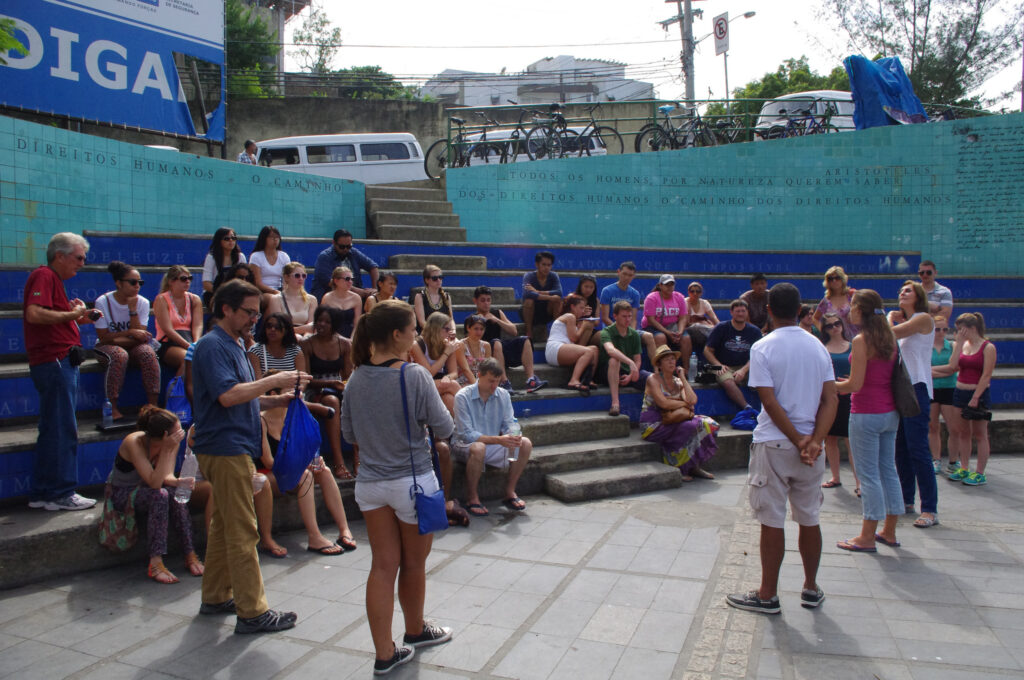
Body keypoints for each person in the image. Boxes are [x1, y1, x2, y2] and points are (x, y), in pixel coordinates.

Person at [340, 300, 455, 674]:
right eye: (412, 330)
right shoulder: (415, 375)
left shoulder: (356, 378)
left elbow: (349, 434)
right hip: (412, 483)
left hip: (371, 485)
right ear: (396, 335)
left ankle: (384, 653)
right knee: (414, 565)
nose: (416, 336)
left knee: (382, 567)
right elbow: (445, 427)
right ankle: (416, 630)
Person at [192, 279, 310, 634]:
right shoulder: (213, 346)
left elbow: (243, 397)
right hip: (225, 448)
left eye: (257, 313)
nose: (254, 319)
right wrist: (275, 378)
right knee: (244, 530)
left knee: (225, 526)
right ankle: (253, 611)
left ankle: (216, 596)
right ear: (225, 309)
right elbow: (228, 396)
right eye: (248, 312)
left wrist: (276, 399)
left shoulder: (236, 346)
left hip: (233, 445)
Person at [726, 283, 836, 615]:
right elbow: (831, 398)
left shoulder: (763, 347)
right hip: (810, 449)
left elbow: (769, 401)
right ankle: (810, 587)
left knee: (772, 519)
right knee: (809, 517)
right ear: (800, 309)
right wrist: (814, 440)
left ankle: (768, 594)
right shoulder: (818, 347)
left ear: (769, 310)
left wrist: (798, 438)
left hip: (775, 443)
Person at [23, 232, 99, 511]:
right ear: (60, 255)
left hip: (57, 361)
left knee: (52, 427)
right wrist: (71, 315)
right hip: (54, 361)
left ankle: (43, 492)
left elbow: (48, 315)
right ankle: (62, 491)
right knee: (63, 428)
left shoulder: (52, 280)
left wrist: (74, 314)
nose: (82, 263)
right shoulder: (44, 275)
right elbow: (34, 313)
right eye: (78, 257)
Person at [835, 289, 904, 552]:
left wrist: (831, 386)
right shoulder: (889, 337)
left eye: (852, 306)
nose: (849, 310)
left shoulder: (862, 341)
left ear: (861, 310)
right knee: (888, 470)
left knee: (868, 476)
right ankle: (889, 530)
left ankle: (866, 535)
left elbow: (856, 384)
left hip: (866, 413)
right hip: (889, 413)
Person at [255, 377, 357, 557]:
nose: (299, 395)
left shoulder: (295, 415)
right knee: (305, 476)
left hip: (291, 471)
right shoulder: (261, 421)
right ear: (274, 394)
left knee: (323, 471)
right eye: (292, 391)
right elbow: (269, 462)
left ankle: (344, 529)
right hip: (270, 475)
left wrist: (313, 461)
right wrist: (302, 464)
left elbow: (308, 446)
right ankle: (314, 536)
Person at [109, 406, 204, 583]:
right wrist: (167, 450)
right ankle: (155, 562)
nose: (180, 435)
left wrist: (178, 482)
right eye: (175, 433)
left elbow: (166, 476)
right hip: (124, 493)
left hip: (151, 488)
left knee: (175, 494)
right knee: (159, 495)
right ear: (163, 436)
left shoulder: (170, 445)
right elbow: (154, 481)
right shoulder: (134, 442)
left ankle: (190, 553)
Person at [453, 358, 532, 517]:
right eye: (490, 381)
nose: (494, 386)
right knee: (478, 447)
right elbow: (466, 435)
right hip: (464, 445)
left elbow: (510, 422)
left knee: (525, 443)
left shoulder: (502, 395)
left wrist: (514, 434)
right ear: (479, 375)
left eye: (497, 381)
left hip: (492, 444)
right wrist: (498, 440)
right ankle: (472, 497)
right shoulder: (463, 396)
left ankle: (510, 491)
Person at [888, 280, 938, 528]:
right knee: (901, 448)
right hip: (901, 388)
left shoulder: (923, 318)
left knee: (918, 449)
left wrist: (888, 317)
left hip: (917, 387)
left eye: (907, 291)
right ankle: (906, 499)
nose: (902, 293)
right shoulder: (908, 322)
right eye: (900, 291)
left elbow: (890, 335)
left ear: (918, 296)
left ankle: (929, 508)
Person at [93, 261, 160, 421]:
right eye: (133, 282)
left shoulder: (141, 302)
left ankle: (153, 406)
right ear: (118, 283)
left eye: (140, 283)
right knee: (119, 355)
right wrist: (130, 332)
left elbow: (141, 336)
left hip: (130, 345)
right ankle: (112, 407)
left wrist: (132, 310)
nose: (137, 286)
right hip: (105, 348)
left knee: (147, 353)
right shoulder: (103, 302)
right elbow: (103, 337)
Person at [640, 345, 718, 480]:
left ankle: (694, 466)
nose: (671, 362)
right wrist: (684, 404)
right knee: (690, 426)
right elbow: (663, 403)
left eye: (673, 359)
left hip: (675, 418)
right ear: (659, 364)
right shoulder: (653, 379)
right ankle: (678, 467)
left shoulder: (678, 381)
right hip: (653, 424)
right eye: (667, 360)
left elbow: (692, 400)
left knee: (709, 424)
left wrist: (683, 377)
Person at [301, 306, 354, 481]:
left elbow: (348, 376)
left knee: (356, 401)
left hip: (339, 387)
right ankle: (339, 462)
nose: (322, 324)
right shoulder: (307, 344)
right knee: (332, 401)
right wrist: (331, 383)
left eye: (327, 322)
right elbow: (306, 379)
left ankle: (359, 459)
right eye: (319, 320)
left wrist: (342, 385)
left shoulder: (345, 344)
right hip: (315, 390)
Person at [943, 312, 996, 486]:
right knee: (963, 432)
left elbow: (986, 374)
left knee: (980, 433)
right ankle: (964, 466)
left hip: (977, 393)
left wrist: (976, 396)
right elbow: (953, 365)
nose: (957, 332)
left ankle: (980, 472)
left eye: (960, 330)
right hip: (960, 391)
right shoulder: (963, 345)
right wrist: (958, 344)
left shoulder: (988, 347)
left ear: (972, 328)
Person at [472, 285, 547, 393]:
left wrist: (496, 320)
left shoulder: (497, 313)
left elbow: (514, 331)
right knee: (496, 343)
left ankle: (531, 380)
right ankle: (504, 382)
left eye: (488, 300)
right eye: (483, 300)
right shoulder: (472, 319)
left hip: (501, 351)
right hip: (487, 354)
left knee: (525, 340)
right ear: (475, 301)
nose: (486, 303)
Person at [820, 313, 858, 493]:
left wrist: (852, 380)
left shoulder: (853, 346)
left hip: (850, 397)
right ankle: (835, 476)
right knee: (830, 439)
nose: (834, 327)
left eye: (837, 323)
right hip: (830, 397)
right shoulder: (822, 348)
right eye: (829, 325)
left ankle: (859, 482)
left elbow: (861, 370)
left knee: (852, 440)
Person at [703, 300, 762, 415]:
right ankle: (747, 409)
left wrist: (743, 370)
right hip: (720, 365)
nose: (740, 314)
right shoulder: (721, 327)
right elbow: (707, 350)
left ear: (747, 312)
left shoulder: (754, 331)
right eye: (737, 311)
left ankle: (768, 409)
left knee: (766, 375)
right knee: (728, 381)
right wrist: (718, 365)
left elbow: (757, 355)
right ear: (731, 312)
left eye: (743, 311)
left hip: (745, 366)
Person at [599, 301, 652, 417]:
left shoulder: (634, 334)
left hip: (628, 372)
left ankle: (659, 410)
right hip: (608, 372)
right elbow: (610, 350)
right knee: (614, 360)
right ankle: (615, 403)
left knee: (652, 378)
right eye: (624, 316)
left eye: (629, 316)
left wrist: (632, 373)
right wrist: (630, 362)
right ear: (615, 316)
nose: (627, 319)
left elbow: (638, 360)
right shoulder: (606, 332)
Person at [598, 261, 658, 361]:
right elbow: (605, 318)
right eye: (624, 274)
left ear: (633, 276)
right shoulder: (607, 291)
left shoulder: (635, 294)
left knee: (649, 337)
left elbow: (633, 319)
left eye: (630, 275)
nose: (626, 278)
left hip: (628, 329)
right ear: (618, 272)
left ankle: (657, 369)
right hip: (611, 329)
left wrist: (631, 334)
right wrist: (619, 330)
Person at [410, 312, 465, 416]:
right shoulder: (417, 344)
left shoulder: (447, 344)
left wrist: (448, 377)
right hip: (420, 383)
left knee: (448, 399)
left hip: (439, 382)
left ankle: (456, 430)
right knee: (453, 385)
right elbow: (428, 374)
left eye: (451, 330)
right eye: (447, 329)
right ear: (436, 328)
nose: (450, 333)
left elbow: (454, 372)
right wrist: (446, 353)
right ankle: (474, 420)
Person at [545, 294, 599, 395]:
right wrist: (583, 326)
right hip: (555, 349)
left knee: (594, 349)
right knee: (589, 351)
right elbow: (574, 338)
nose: (583, 310)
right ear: (573, 307)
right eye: (581, 308)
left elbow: (579, 345)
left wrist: (585, 324)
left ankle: (588, 380)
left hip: (564, 349)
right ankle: (573, 380)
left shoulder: (576, 320)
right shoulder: (570, 316)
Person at [154, 265, 203, 375]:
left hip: (189, 341)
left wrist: (195, 344)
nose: (187, 282)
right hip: (168, 343)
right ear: (171, 281)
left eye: (189, 278)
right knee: (189, 359)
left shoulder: (195, 299)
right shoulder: (162, 299)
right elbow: (168, 329)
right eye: (183, 279)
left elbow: (198, 325)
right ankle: (176, 390)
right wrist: (189, 348)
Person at [929, 315, 960, 474]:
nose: (941, 332)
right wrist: (946, 370)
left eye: (944, 329)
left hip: (949, 388)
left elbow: (955, 368)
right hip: (932, 389)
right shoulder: (926, 347)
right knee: (933, 426)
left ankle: (954, 461)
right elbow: (926, 370)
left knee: (953, 427)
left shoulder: (953, 345)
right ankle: (936, 459)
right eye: (937, 329)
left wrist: (935, 372)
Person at [312, 229, 379, 301]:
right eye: (342, 247)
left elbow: (373, 267)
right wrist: (359, 291)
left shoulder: (353, 252)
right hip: (330, 297)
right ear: (334, 243)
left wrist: (375, 289)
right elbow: (332, 282)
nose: (345, 249)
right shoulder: (325, 257)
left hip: (353, 297)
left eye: (349, 246)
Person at [247, 312, 307, 380]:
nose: (272, 329)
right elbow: (257, 380)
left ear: (286, 330)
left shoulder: (296, 351)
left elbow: (302, 379)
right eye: (269, 326)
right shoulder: (255, 351)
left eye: (277, 327)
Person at [266, 262, 317, 337]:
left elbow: (311, 327)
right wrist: (303, 329)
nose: (301, 278)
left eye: (304, 276)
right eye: (297, 276)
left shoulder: (312, 299)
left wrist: (305, 339)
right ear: (286, 277)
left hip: (305, 338)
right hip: (284, 337)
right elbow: (278, 327)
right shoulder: (276, 299)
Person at [521, 250, 562, 339]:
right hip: (531, 312)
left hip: (547, 312)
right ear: (537, 264)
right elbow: (527, 294)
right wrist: (549, 297)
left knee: (557, 301)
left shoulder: (554, 276)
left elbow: (559, 292)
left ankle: (557, 333)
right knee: (529, 301)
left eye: (549, 265)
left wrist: (537, 291)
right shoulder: (529, 276)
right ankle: (529, 333)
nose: (546, 268)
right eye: (543, 264)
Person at [248, 225, 290, 310]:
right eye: (271, 237)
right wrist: (276, 292)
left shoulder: (284, 256)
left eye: (277, 237)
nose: (275, 239)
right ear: (264, 239)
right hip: (261, 292)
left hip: (279, 290)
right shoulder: (256, 256)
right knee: (274, 299)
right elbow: (257, 283)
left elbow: (287, 279)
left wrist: (285, 292)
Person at [641, 274, 687, 350]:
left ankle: (686, 362)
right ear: (660, 285)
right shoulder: (651, 298)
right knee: (660, 337)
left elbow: (683, 318)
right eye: (667, 285)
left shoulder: (679, 297)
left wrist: (680, 332)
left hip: (673, 327)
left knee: (686, 338)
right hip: (653, 327)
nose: (669, 287)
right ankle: (661, 361)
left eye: (672, 284)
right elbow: (651, 320)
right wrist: (667, 333)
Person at [679, 281, 719, 366]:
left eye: (698, 291)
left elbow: (714, 318)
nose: (695, 293)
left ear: (701, 293)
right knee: (697, 326)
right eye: (692, 291)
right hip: (689, 329)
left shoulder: (704, 303)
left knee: (714, 330)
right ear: (688, 292)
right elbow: (685, 322)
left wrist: (721, 329)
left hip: (703, 330)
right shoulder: (685, 302)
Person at [812, 266, 856, 339]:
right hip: (837, 340)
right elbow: (815, 318)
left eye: (837, 278)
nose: (834, 281)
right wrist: (825, 332)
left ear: (843, 279)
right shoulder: (826, 300)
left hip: (855, 336)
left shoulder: (852, 295)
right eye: (830, 279)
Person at [202, 228, 246, 298]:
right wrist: (223, 293)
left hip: (236, 292)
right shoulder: (211, 257)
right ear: (219, 241)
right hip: (215, 292)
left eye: (233, 238)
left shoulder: (240, 257)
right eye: (226, 239)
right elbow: (206, 283)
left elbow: (245, 279)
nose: (231, 240)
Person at [320, 266, 362, 338]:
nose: (350, 282)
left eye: (352, 279)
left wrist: (352, 340)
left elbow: (356, 324)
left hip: (350, 337)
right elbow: (323, 322)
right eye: (347, 279)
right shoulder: (327, 298)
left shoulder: (356, 298)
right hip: (331, 336)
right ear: (336, 281)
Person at [412, 264, 453, 332]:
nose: (438, 280)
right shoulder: (420, 296)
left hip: (444, 334)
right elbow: (422, 322)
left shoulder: (446, 297)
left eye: (440, 277)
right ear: (427, 280)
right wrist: (437, 333)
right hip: (427, 335)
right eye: (435, 278)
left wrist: (453, 330)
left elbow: (451, 319)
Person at [573, 274, 600, 345]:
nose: (588, 290)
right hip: (574, 330)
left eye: (591, 287)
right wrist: (581, 313)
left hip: (590, 330)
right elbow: (567, 318)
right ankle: (579, 350)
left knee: (604, 336)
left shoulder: (596, 301)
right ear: (580, 286)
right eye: (586, 286)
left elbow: (597, 322)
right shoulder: (572, 298)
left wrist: (590, 319)